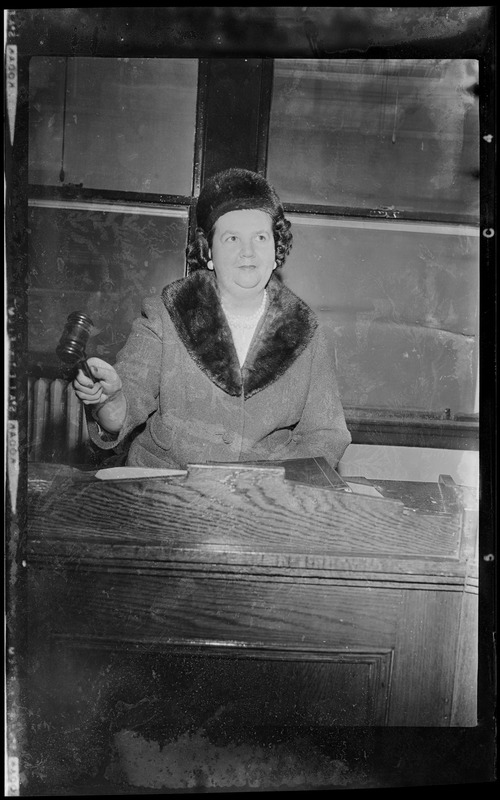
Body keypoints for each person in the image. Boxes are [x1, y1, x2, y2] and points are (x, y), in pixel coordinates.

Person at [73, 168, 351, 469]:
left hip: (259, 501)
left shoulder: (305, 331)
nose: (248, 252)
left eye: (260, 237)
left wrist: (275, 487)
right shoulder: (166, 313)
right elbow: (129, 394)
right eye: (232, 238)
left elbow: (326, 433)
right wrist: (111, 403)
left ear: (275, 251)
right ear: (208, 252)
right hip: (167, 492)